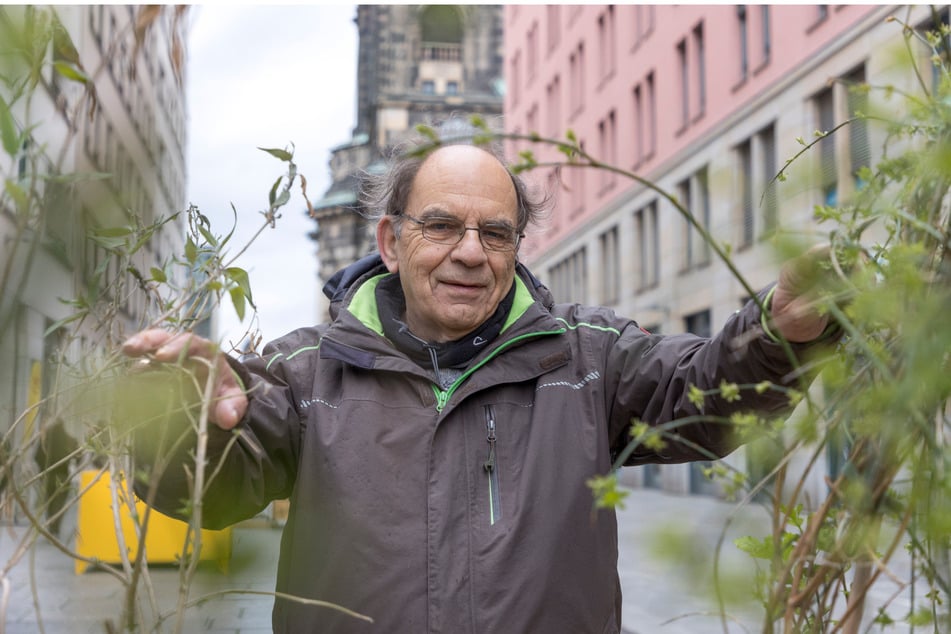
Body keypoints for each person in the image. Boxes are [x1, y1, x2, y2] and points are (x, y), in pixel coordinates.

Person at [121, 142, 837, 633]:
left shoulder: (587, 358)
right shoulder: (306, 370)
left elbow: (705, 397)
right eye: (440, 226)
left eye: (494, 234)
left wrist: (776, 336)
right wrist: (180, 416)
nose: (470, 252)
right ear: (389, 241)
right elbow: (208, 493)